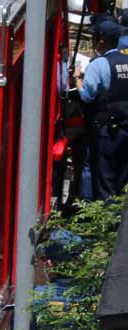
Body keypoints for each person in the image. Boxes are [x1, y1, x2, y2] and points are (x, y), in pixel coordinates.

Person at [76, 19, 128, 200]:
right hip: (126, 128)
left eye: (93, 38)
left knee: (104, 180)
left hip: (107, 132)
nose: (92, 42)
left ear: (102, 40)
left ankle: (105, 224)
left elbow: (87, 95)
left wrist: (77, 80)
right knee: (123, 180)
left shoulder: (98, 64)